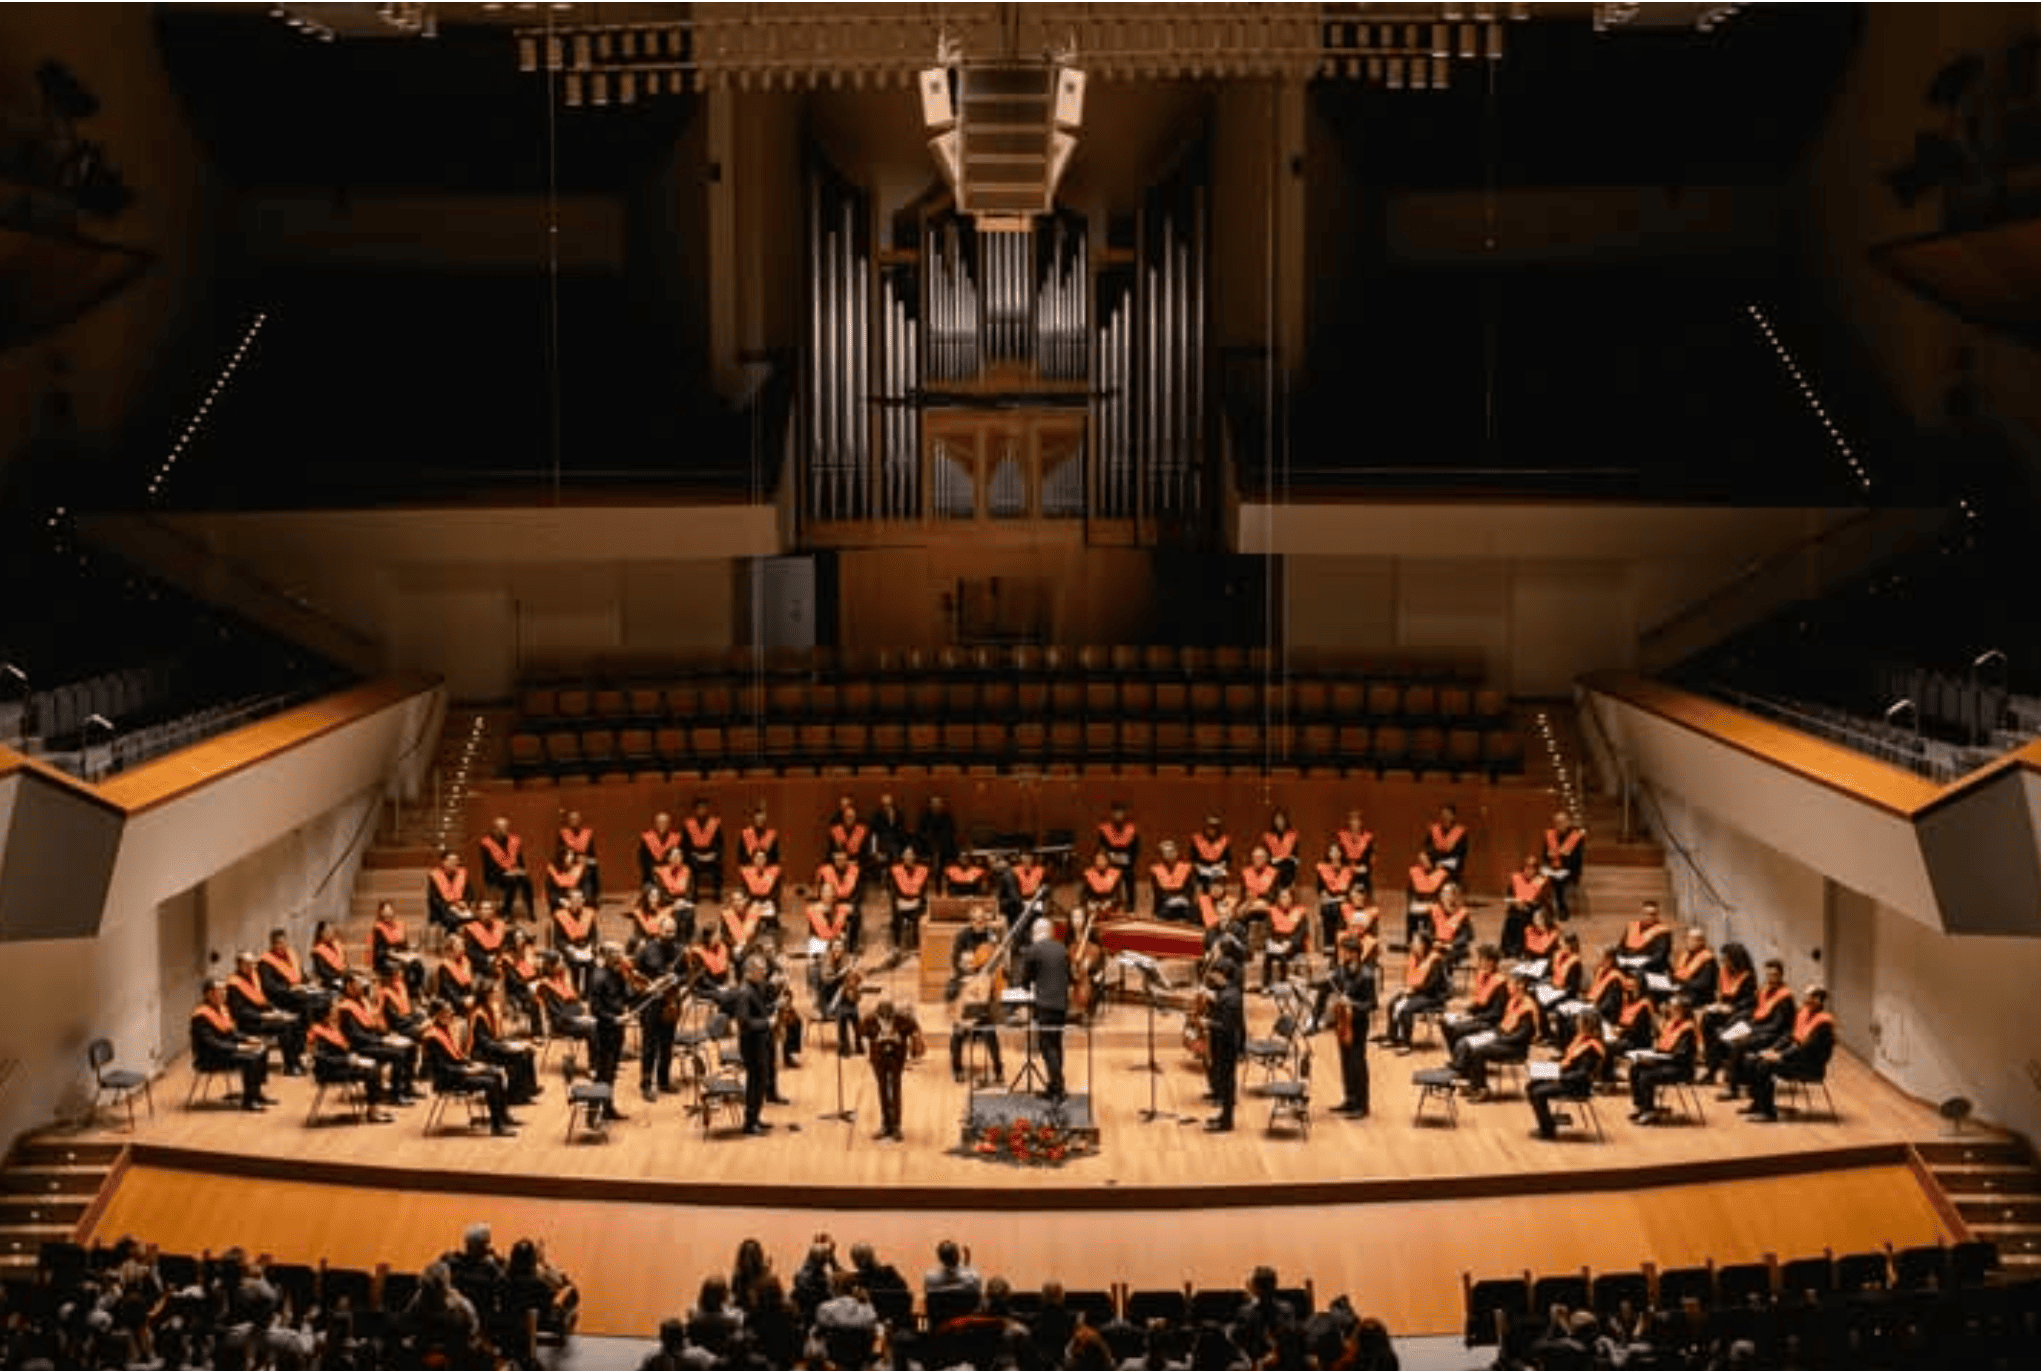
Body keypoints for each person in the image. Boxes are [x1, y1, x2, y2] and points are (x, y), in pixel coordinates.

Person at [1738, 985, 1836, 1122]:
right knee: (1751, 1060)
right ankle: (1758, 1104)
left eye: (1809, 997)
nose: (1805, 1000)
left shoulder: (1824, 1026)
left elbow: (1806, 1049)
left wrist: (1781, 1056)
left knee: (1764, 1065)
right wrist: (1773, 1049)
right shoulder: (1803, 1014)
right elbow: (1788, 1036)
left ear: (1818, 1000)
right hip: (1794, 1058)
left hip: (1809, 1065)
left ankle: (1768, 1113)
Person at [1451, 972, 1541, 1100]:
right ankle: (1473, 1083)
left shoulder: (1528, 1008)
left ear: (1521, 988)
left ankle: (1482, 1090)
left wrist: (1498, 1039)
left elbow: (1521, 1036)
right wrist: (1494, 1034)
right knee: (1468, 1043)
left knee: (1478, 1051)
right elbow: (1504, 1024)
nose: (1510, 988)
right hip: (1502, 1038)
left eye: (1513, 985)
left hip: (1514, 1047)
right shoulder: (1514, 1001)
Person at [1715, 957, 1795, 1099]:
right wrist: (1745, 1024)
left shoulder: (1785, 998)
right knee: (1724, 1036)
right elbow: (1756, 1012)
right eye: (1768, 975)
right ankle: (1738, 1078)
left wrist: (1751, 1031)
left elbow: (1777, 1026)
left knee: (1738, 1045)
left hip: (1773, 1035)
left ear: (1781, 976)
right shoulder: (1764, 990)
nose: (1771, 978)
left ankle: (1733, 1089)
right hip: (1759, 1029)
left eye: (1774, 975)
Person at [190, 979, 275, 1111]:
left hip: (224, 1051)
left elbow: (231, 1033)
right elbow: (213, 1043)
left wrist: (248, 1039)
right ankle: (249, 1101)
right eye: (219, 992)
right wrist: (240, 1047)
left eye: (224, 991)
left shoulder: (222, 1009)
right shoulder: (201, 1016)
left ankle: (256, 1093)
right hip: (209, 1056)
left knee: (261, 1049)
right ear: (208, 994)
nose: (223, 994)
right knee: (251, 1058)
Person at [307, 999, 395, 1123]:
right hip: (328, 1070)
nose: (335, 1013)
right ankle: (373, 1111)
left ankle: (374, 1108)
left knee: (375, 1064)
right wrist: (347, 1060)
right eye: (332, 1011)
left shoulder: (329, 1028)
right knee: (373, 1071)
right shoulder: (319, 1033)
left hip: (340, 1065)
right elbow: (323, 1058)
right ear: (324, 1015)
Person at [337, 972, 419, 1101]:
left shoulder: (362, 1002)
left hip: (372, 1041)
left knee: (410, 1046)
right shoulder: (345, 1008)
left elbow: (372, 1025)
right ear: (349, 986)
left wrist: (389, 1036)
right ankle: (396, 1094)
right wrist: (382, 1040)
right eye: (359, 985)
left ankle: (407, 1087)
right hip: (360, 1046)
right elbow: (356, 1036)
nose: (363, 988)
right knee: (399, 1054)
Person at [1529, 1009, 1609, 1139]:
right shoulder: (1582, 1039)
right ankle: (1548, 1121)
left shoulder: (1592, 1049)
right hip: (1567, 1075)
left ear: (1587, 1025)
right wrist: (1550, 1068)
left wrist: (1557, 1077)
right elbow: (1570, 1060)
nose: (1577, 1024)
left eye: (1580, 1022)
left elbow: (1582, 1074)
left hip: (1576, 1085)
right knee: (1532, 1082)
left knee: (1537, 1092)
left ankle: (1547, 1130)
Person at [225, 950, 304, 1075]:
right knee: (285, 1027)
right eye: (248, 964)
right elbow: (240, 1012)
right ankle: (290, 1066)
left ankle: (296, 1060)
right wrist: (265, 1016)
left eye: (252, 963)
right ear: (239, 965)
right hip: (249, 1022)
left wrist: (276, 1011)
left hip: (263, 1017)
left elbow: (262, 1000)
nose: (251, 967)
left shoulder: (254, 977)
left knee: (295, 1021)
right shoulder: (234, 984)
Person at [1017, 917, 1071, 1100]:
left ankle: (1058, 1088)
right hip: (1062, 1005)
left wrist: (1028, 985)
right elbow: (1069, 976)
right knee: (1057, 1044)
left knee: (1047, 1046)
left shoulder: (1034, 950)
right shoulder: (1062, 948)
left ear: (1035, 933)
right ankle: (1054, 1086)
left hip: (1045, 1005)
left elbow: (1024, 981)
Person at [859, 997, 925, 1141]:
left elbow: (915, 1029)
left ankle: (896, 1126)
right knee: (882, 1088)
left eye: (890, 1018)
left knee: (895, 1087)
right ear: (878, 1015)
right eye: (884, 1019)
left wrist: (912, 1041)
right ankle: (885, 1125)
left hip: (897, 1055)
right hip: (878, 1057)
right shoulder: (869, 1019)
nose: (887, 1022)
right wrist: (872, 1046)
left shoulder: (902, 1019)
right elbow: (862, 1037)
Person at [1628, 993, 1701, 1125]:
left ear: (1682, 1010)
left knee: (1646, 1075)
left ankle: (1649, 1112)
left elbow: (1680, 1056)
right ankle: (1642, 1106)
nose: (1669, 1010)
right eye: (1670, 1007)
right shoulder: (1670, 1024)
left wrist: (1655, 1060)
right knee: (1635, 1067)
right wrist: (1648, 1056)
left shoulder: (1688, 1029)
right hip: (1665, 1062)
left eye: (1673, 1007)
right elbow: (1661, 1048)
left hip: (1681, 1068)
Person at [1325, 933, 1376, 1117]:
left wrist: (1352, 1004)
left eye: (1344, 952)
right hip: (1343, 1021)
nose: (1341, 955)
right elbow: (1331, 986)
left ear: (1354, 953)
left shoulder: (1367, 975)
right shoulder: (1341, 970)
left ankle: (1362, 1106)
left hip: (1359, 1023)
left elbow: (1372, 1004)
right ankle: (1350, 1099)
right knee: (1345, 1061)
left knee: (1357, 1063)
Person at [467, 978, 540, 1106]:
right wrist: (506, 1047)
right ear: (486, 995)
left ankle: (527, 1091)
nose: (496, 994)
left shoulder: (491, 1009)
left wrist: (515, 1042)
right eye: (494, 992)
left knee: (528, 1051)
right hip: (482, 1052)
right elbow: (484, 1042)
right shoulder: (478, 1014)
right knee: (518, 1057)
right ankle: (514, 1096)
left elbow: (498, 1035)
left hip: (494, 1046)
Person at [636, 916, 686, 1101]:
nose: (670, 935)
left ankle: (663, 1080)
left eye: (673, 931)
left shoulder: (680, 950)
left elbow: (686, 973)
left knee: (667, 1043)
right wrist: (648, 987)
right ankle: (646, 1084)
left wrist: (677, 979)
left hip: (671, 1003)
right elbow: (636, 973)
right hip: (652, 1003)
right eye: (667, 931)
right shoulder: (646, 950)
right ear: (658, 930)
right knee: (649, 1045)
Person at [1380, 931, 1448, 1053]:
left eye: (1416, 942)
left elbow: (1432, 986)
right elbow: (1411, 979)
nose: (1412, 944)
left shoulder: (1435, 961)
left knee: (1406, 1009)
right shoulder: (1415, 958)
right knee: (1392, 1002)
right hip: (1417, 992)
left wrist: (1412, 992)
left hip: (1432, 995)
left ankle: (1406, 1043)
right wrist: (1410, 990)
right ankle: (1393, 1037)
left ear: (1424, 945)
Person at [586, 943, 631, 1120]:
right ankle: (592, 1113)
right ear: (608, 956)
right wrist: (614, 1019)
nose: (622, 956)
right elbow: (595, 1009)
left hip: (617, 1030)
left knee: (611, 1071)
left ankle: (607, 1108)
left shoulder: (617, 973)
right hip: (604, 1031)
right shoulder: (598, 977)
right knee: (602, 1073)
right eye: (618, 953)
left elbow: (625, 997)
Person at [734, 956, 778, 1135]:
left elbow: (760, 1010)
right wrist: (767, 1023)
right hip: (751, 1045)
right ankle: (749, 1123)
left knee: (760, 1082)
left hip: (760, 1042)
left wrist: (774, 1007)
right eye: (761, 970)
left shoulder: (755, 988)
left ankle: (755, 1118)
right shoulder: (744, 992)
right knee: (755, 1082)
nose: (765, 973)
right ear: (750, 971)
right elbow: (744, 1023)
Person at [1202, 958, 1245, 1132]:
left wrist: (1207, 1023)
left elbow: (1225, 1025)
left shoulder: (1231, 997)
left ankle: (1227, 1122)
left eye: (1215, 973)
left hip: (1228, 1043)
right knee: (1225, 1079)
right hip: (1226, 1041)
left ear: (1223, 974)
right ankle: (1224, 1117)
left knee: (1228, 1082)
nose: (1212, 976)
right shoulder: (1229, 991)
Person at [479, 816, 535, 923]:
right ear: (495, 829)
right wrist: (506, 872)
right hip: (494, 874)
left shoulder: (514, 840)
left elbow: (520, 859)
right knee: (511, 881)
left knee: (527, 880)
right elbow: (488, 865)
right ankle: (506, 912)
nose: (504, 830)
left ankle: (531, 911)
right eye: (501, 828)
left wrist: (521, 870)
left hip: (513, 872)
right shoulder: (486, 843)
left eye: (506, 827)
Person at [1499, 854, 1550, 958]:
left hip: (1533, 909)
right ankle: (1507, 949)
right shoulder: (1516, 878)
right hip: (1516, 907)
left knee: (1522, 920)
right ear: (1524, 868)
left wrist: (1530, 902)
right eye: (1528, 867)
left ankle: (1518, 950)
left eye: (1533, 868)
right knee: (1511, 918)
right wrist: (1514, 901)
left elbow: (1544, 901)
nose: (1530, 871)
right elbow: (1507, 897)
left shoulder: (1542, 881)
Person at [886, 845, 933, 953]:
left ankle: (917, 945)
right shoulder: (895, 870)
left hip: (916, 901)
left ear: (915, 857)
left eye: (911, 855)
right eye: (906, 855)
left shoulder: (923, 870)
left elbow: (924, 890)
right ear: (902, 857)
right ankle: (897, 945)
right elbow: (891, 889)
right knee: (896, 916)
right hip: (901, 901)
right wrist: (897, 901)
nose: (909, 857)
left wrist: (918, 900)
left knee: (920, 916)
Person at [552, 888, 599, 993]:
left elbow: (594, 935)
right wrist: (568, 948)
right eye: (576, 899)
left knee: (591, 964)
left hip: (586, 947)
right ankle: (575, 991)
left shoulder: (589, 913)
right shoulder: (560, 916)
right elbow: (557, 939)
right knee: (575, 965)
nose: (580, 901)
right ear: (569, 902)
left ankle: (588, 993)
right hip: (570, 948)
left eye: (581, 899)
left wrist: (591, 946)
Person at [1542, 810, 1586, 920]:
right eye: (1557, 822)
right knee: (1541, 878)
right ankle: (1547, 909)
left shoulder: (1575, 836)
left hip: (1569, 869)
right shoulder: (1550, 835)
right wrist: (1549, 856)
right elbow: (1544, 855)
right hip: (1552, 868)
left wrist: (1563, 858)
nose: (1559, 825)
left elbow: (1577, 859)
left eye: (1562, 822)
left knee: (1559, 881)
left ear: (1568, 822)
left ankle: (1562, 909)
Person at [1314, 842, 1358, 951]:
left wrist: (1346, 898)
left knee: (1340, 909)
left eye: (1337, 851)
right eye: (1332, 851)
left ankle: (1341, 942)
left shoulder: (1348, 870)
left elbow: (1352, 889)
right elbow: (1320, 889)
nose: (1334, 854)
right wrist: (1329, 897)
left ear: (1341, 853)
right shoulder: (1322, 869)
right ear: (1328, 854)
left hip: (1345, 901)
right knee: (1329, 908)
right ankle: (1329, 944)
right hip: (1329, 900)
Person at [683, 798, 725, 903]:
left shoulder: (714, 823)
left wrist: (714, 854)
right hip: (695, 856)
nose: (701, 810)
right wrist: (694, 854)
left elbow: (720, 843)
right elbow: (685, 844)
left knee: (718, 866)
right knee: (691, 866)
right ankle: (694, 894)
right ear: (695, 810)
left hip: (711, 856)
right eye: (699, 808)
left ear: (707, 809)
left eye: (704, 808)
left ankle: (717, 893)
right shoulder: (689, 823)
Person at [426, 850, 474, 939]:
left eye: (456, 861)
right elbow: (434, 900)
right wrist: (449, 907)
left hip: (461, 907)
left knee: (474, 919)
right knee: (452, 919)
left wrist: (465, 903)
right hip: (441, 909)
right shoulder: (435, 876)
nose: (454, 863)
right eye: (451, 861)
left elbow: (470, 893)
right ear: (443, 862)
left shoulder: (462, 873)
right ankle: (452, 940)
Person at [1617, 900, 1674, 974]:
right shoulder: (1633, 927)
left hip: (1650, 969)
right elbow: (1621, 948)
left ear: (1657, 915)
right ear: (1641, 914)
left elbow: (1659, 957)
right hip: (1627, 964)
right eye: (1646, 914)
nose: (1649, 917)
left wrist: (1637, 964)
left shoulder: (1663, 932)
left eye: (1652, 914)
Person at [1404, 851, 1447, 945]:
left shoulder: (1441, 873)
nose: (1421, 864)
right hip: (1418, 903)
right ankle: (1413, 938)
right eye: (1420, 861)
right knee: (1416, 909)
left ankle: (1439, 938)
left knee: (1437, 910)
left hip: (1435, 904)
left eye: (1424, 861)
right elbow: (1421, 889)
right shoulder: (1415, 871)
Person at [557, 809, 601, 902]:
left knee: (590, 869)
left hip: (585, 863)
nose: (574, 821)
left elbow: (592, 854)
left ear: (580, 820)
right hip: (569, 863)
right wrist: (569, 858)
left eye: (576, 819)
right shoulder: (563, 834)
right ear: (568, 821)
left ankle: (589, 896)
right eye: (572, 819)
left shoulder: (586, 834)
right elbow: (559, 853)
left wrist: (586, 859)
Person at [1150, 838, 1196, 922]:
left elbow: (1190, 888)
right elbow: (1157, 892)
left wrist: (1182, 898)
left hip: (1183, 901)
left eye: (1172, 851)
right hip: (1165, 902)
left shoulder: (1187, 867)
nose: (1169, 854)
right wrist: (1170, 900)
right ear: (1161, 854)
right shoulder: (1155, 869)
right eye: (1166, 852)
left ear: (1177, 852)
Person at [1422, 803, 1469, 883]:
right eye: (1443, 814)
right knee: (1421, 860)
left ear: (1453, 817)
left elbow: (1460, 855)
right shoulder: (1434, 830)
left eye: (1447, 815)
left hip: (1451, 864)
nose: (1444, 817)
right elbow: (1428, 848)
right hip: (1435, 862)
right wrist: (1425, 857)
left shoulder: (1460, 833)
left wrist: (1443, 863)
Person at [1335, 809, 1376, 896]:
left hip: (1362, 871)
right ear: (1348, 822)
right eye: (1352, 820)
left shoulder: (1367, 837)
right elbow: (1337, 856)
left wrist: (1366, 868)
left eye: (1357, 820)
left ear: (1361, 822)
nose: (1354, 823)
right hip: (1345, 870)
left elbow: (1371, 858)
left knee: (1364, 883)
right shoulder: (1341, 836)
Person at [1097, 801, 1140, 884]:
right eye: (1116, 813)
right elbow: (1101, 846)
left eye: (1120, 813)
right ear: (1112, 814)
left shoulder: (1131, 828)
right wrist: (1108, 858)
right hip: (1110, 862)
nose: (1118, 815)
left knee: (1130, 877)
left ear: (1124, 814)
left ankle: (1130, 897)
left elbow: (1136, 847)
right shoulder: (1105, 828)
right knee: (1111, 882)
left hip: (1127, 861)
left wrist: (1131, 859)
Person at [917, 794, 960, 873]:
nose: (936, 805)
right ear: (930, 805)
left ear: (941, 804)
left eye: (937, 803)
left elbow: (952, 832)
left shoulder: (947, 817)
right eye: (934, 803)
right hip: (928, 846)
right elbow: (921, 833)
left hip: (945, 847)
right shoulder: (925, 817)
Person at [1191, 814, 1232, 893]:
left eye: (1215, 827)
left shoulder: (1224, 839)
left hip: (1218, 871)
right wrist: (1199, 867)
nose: (1212, 830)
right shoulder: (1197, 838)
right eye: (1210, 826)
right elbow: (1193, 858)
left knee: (1220, 888)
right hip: (1201, 870)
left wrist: (1221, 866)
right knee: (1199, 889)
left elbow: (1228, 859)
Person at [1081, 848, 1126, 919]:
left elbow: (1121, 897)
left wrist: (1110, 905)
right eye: (1098, 860)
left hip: (1112, 908)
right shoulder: (1088, 874)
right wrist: (1092, 905)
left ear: (1107, 861)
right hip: (1094, 909)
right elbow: (1084, 897)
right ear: (1094, 861)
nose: (1100, 862)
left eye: (1103, 860)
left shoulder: (1116, 874)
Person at [1261, 809, 1300, 890]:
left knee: (1289, 867)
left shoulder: (1292, 835)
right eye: (1277, 819)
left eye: (1281, 819)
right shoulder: (1268, 836)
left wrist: (1291, 858)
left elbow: (1296, 855)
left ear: (1285, 820)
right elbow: (1266, 855)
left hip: (1288, 865)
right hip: (1274, 865)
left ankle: (1287, 890)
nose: (1279, 822)